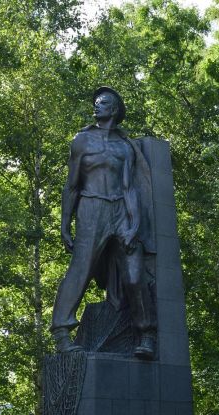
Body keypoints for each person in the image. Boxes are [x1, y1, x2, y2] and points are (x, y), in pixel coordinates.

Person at [50, 86, 156, 359]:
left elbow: (129, 188)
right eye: (96, 101)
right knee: (81, 269)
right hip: (91, 207)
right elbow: (71, 186)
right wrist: (65, 222)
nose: (97, 105)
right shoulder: (82, 141)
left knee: (134, 274)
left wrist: (134, 224)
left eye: (103, 102)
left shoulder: (124, 146)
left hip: (120, 210)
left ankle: (146, 335)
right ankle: (62, 331)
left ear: (115, 109)